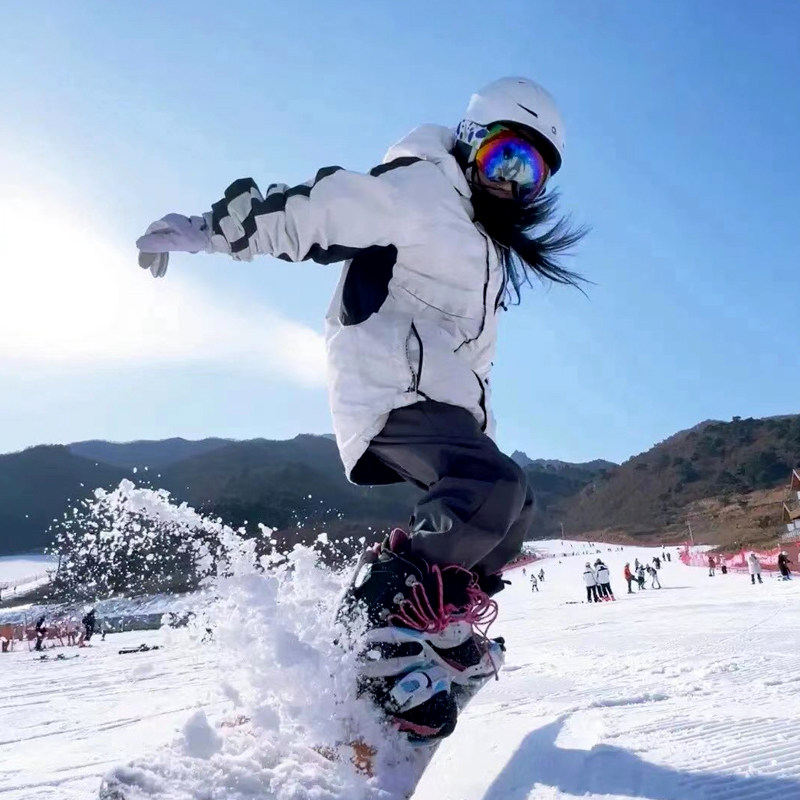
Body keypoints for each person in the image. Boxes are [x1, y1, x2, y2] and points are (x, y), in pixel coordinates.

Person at [135, 76, 585, 743]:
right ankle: (377, 628)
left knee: (513, 506)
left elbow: (467, 358)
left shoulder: (483, 246)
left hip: (436, 401)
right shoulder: (422, 188)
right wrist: (209, 231)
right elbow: (320, 212)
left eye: (529, 176)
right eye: (502, 160)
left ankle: (443, 616)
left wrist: (476, 437)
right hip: (388, 388)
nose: (511, 185)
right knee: (492, 487)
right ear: (469, 143)